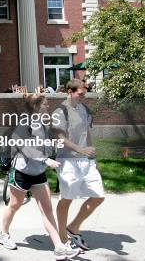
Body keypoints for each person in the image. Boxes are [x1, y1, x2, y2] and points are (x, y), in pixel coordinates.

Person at [0, 93, 80, 260]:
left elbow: (44, 145)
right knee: (14, 205)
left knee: (47, 210)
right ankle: (3, 234)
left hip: (38, 173)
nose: (48, 107)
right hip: (22, 172)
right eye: (45, 104)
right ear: (36, 106)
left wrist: (54, 149)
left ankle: (59, 247)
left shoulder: (43, 123)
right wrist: (45, 159)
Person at [52, 78, 105, 251]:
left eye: (85, 94)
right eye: (81, 94)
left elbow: (87, 133)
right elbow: (60, 137)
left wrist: (92, 157)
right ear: (70, 92)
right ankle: (62, 237)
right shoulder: (60, 111)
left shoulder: (84, 109)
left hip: (86, 161)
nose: (83, 96)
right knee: (67, 198)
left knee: (98, 196)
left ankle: (73, 227)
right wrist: (80, 150)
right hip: (67, 160)